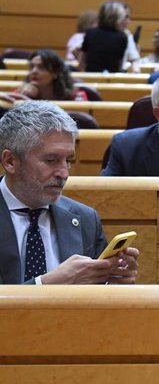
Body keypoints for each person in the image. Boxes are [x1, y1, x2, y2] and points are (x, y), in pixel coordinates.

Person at [0, 101, 139, 285]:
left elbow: (96, 299)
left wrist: (114, 281)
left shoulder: (85, 219)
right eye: (51, 160)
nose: (64, 173)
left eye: (68, 160)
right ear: (10, 161)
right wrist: (46, 284)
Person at [0, 49, 89, 104]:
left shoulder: (74, 95)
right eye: (32, 67)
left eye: (41, 67)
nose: (34, 71)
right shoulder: (21, 93)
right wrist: (23, 97)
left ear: (55, 73)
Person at [80, 0, 129, 73]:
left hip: (90, 76)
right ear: (118, 19)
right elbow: (120, 64)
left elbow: (82, 60)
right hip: (112, 78)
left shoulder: (91, 33)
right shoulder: (122, 37)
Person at [120, 3, 142, 73]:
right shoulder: (96, 33)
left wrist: (136, 73)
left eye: (129, 17)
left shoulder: (127, 35)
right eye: (125, 17)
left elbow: (134, 60)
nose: (128, 21)